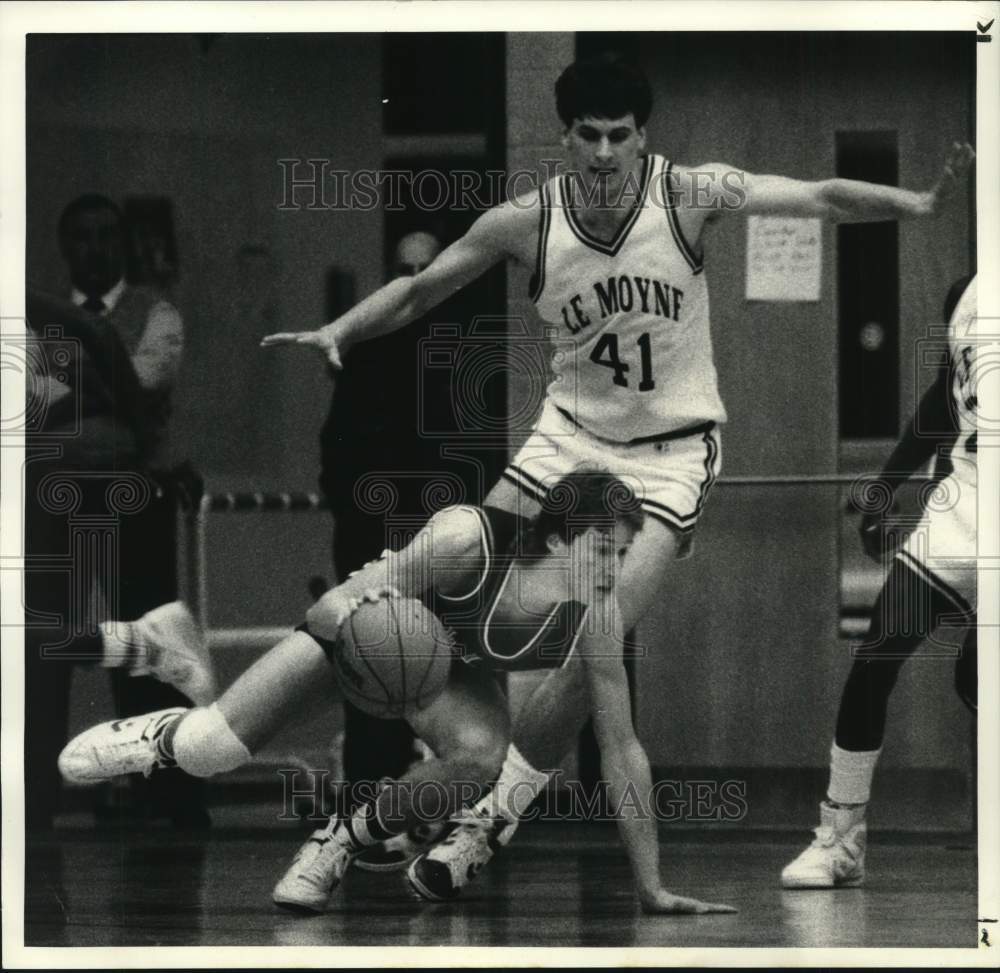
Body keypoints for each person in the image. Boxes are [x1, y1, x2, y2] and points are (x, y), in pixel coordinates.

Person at [259, 52, 976, 896]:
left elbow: (816, 195)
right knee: (445, 607)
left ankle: (492, 819)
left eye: (620, 136)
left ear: (643, 136)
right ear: (564, 137)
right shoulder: (525, 221)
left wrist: (917, 203)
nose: (605, 152)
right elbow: (422, 290)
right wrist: (341, 327)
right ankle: (399, 798)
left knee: (593, 642)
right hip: (563, 438)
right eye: (589, 136)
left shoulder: (690, 194)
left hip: (671, 455)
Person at [59, 468, 735, 914]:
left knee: (480, 754)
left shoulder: (597, 614)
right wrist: (370, 621)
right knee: (214, 749)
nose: (616, 569)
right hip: (368, 637)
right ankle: (161, 718)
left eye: (624, 553)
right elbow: (328, 610)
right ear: (557, 538)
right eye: (602, 549)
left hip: (445, 680)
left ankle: (338, 838)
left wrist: (650, 882)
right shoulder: (465, 541)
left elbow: (622, 748)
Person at [24, 193, 215, 830]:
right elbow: (28, 399)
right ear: (64, 246)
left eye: (107, 235)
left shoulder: (156, 312)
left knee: (147, 648)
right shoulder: (37, 322)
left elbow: (146, 378)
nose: (95, 248)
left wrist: (76, 369)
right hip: (54, 497)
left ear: (124, 244)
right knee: (45, 646)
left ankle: (159, 797)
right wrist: (102, 377)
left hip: (134, 495)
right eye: (81, 236)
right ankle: (34, 805)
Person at [780, 275, 979, 889]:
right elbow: (945, 402)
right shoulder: (969, 295)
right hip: (966, 500)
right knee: (875, 659)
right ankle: (840, 840)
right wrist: (887, 486)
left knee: (974, 680)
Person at [321, 230, 443, 803]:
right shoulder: (367, 343)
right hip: (377, 527)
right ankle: (370, 800)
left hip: (437, 530)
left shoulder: (463, 343)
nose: (415, 278)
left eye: (426, 267)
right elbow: (338, 440)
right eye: (405, 268)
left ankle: (429, 799)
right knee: (370, 658)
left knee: (438, 664)